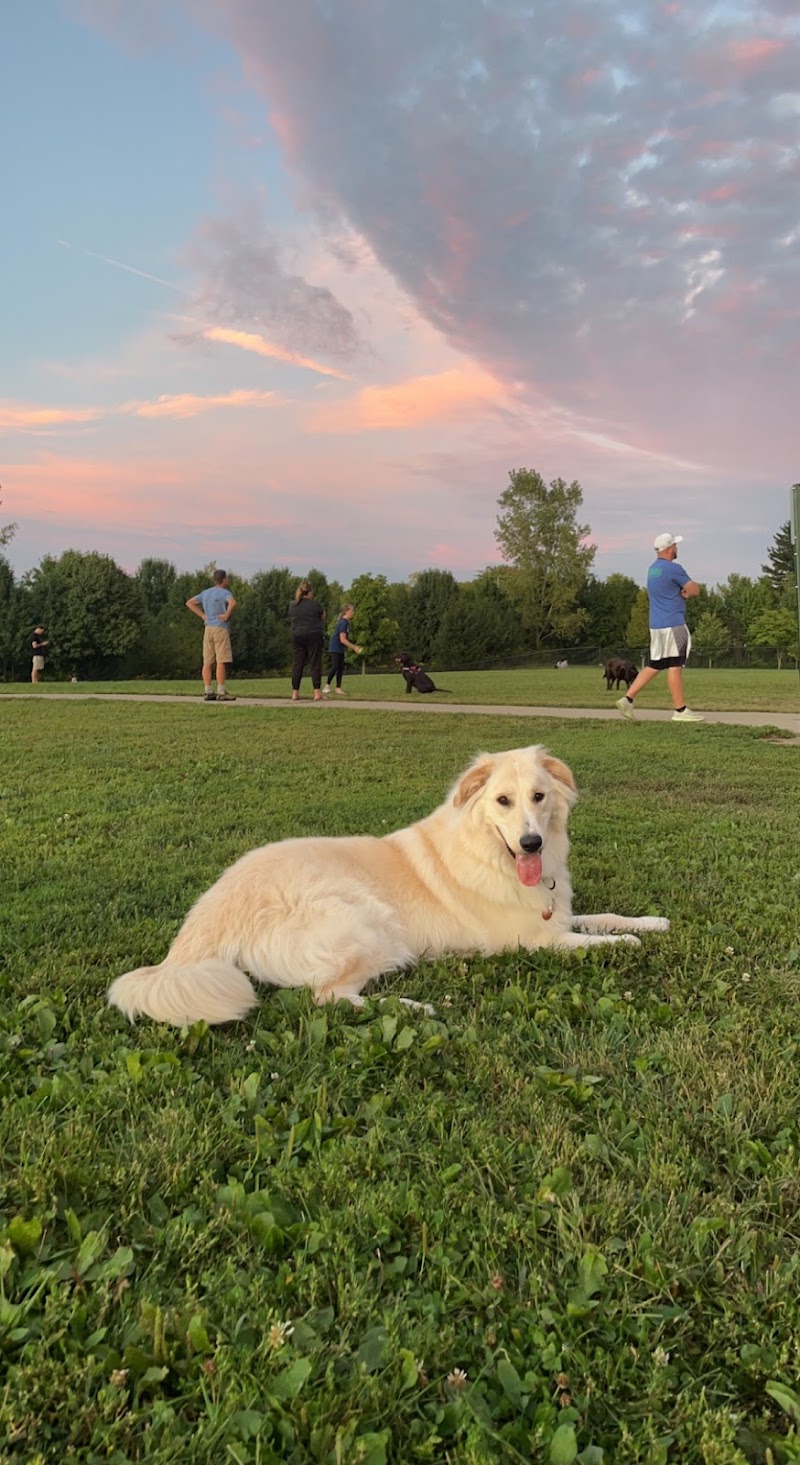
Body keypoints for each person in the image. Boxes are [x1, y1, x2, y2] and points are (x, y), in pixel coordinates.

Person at [617, 533, 704, 723]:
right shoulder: (674, 568)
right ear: (670, 548)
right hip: (674, 624)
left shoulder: (652, 570)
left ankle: (628, 698)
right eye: (675, 545)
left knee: (655, 664)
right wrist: (686, 592)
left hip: (656, 625)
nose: (677, 549)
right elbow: (694, 589)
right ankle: (680, 710)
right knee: (675, 665)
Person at [186, 569, 237, 703]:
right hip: (220, 627)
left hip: (208, 628)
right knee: (221, 659)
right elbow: (233, 603)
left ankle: (208, 690)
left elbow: (190, 602)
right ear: (224, 579)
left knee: (207, 661)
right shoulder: (225, 593)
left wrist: (202, 615)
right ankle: (221, 691)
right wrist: (226, 615)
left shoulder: (206, 593)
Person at [288, 580, 326, 702]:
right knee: (315, 662)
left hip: (297, 635)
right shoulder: (315, 604)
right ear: (309, 592)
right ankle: (317, 693)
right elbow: (323, 616)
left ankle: (295, 693)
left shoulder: (293, 605)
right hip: (314, 634)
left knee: (298, 663)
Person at [323, 603, 362, 695]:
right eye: (352, 611)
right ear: (346, 611)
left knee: (340, 667)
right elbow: (342, 639)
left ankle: (338, 688)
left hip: (340, 648)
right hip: (335, 647)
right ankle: (327, 685)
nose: (353, 613)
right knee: (335, 666)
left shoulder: (346, 623)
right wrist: (354, 647)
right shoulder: (343, 623)